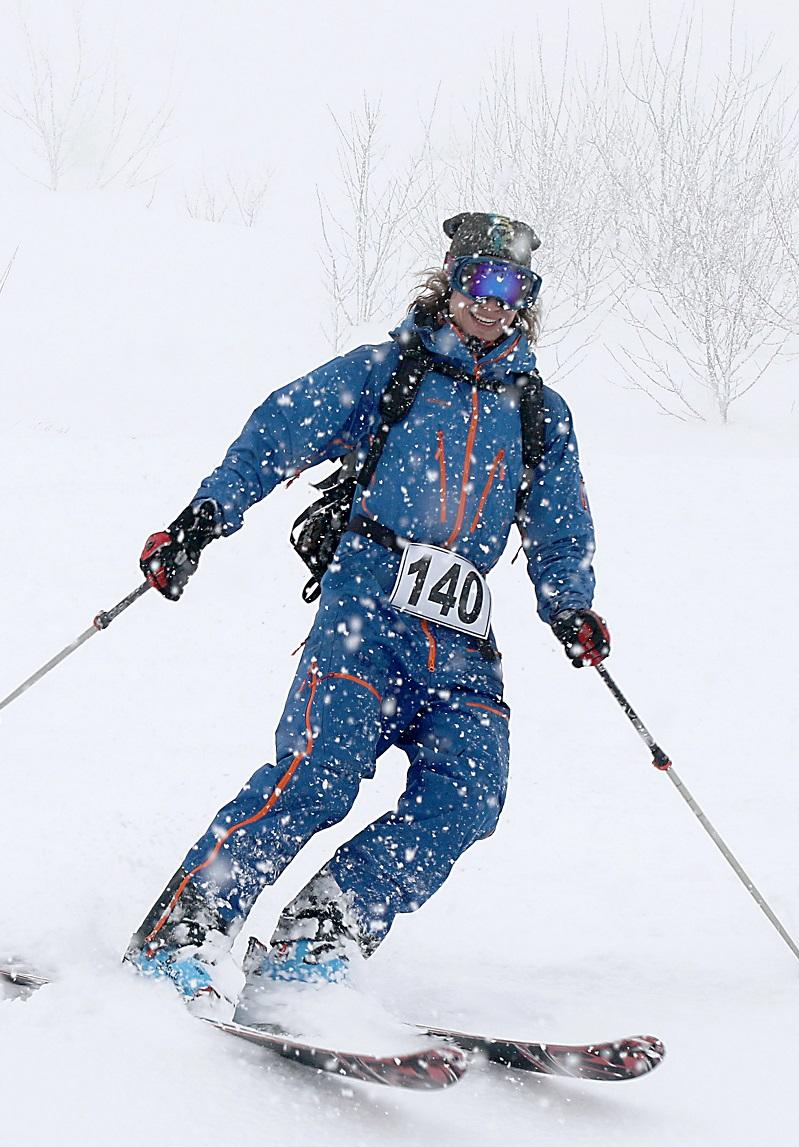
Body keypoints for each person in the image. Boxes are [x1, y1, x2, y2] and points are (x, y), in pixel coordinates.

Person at [124, 212, 610, 1018]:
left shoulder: (538, 412)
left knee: (470, 796)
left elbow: (561, 522)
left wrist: (572, 606)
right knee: (318, 775)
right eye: (480, 281)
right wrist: (202, 520)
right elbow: (274, 435)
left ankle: (320, 932)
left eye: (513, 288)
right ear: (449, 279)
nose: (493, 302)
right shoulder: (387, 372)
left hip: (460, 636)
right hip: (368, 612)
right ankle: (186, 931)